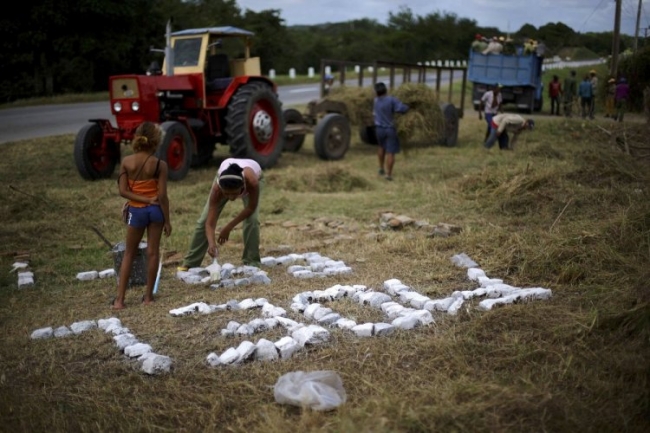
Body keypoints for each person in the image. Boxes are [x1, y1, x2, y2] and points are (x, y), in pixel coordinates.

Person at [113, 122, 171, 310]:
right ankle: (148, 297)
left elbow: (123, 191)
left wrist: (140, 199)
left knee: (129, 252)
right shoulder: (160, 165)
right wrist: (167, 221)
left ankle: (120, 300)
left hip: (135, 212)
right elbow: (162, 196)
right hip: (156, 212)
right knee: (152, 252)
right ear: (156, 141)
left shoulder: (126, 162)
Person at [178, 158, 263, 270]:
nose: (231, 198)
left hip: (253, 176)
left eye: (234, 194)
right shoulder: (217, 188)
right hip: (226, 179)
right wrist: (211, 243)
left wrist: (228, 227)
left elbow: (251, 208)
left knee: (252, 220)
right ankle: (190, 263)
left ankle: (252, 262)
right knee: (203, 220)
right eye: (226, 194)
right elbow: (209, 223)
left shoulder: (252, 181)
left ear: (242, 186)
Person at [373, 81, 409, 181]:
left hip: (378, 129)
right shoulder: (391, 100)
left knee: (381, 148)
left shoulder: (375, 101)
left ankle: (381, 168)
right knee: (390, 152)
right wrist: (408, 106)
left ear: (376, 92)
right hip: (389, 129)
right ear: (385, 89)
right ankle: (388, 175)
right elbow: (401, 109)